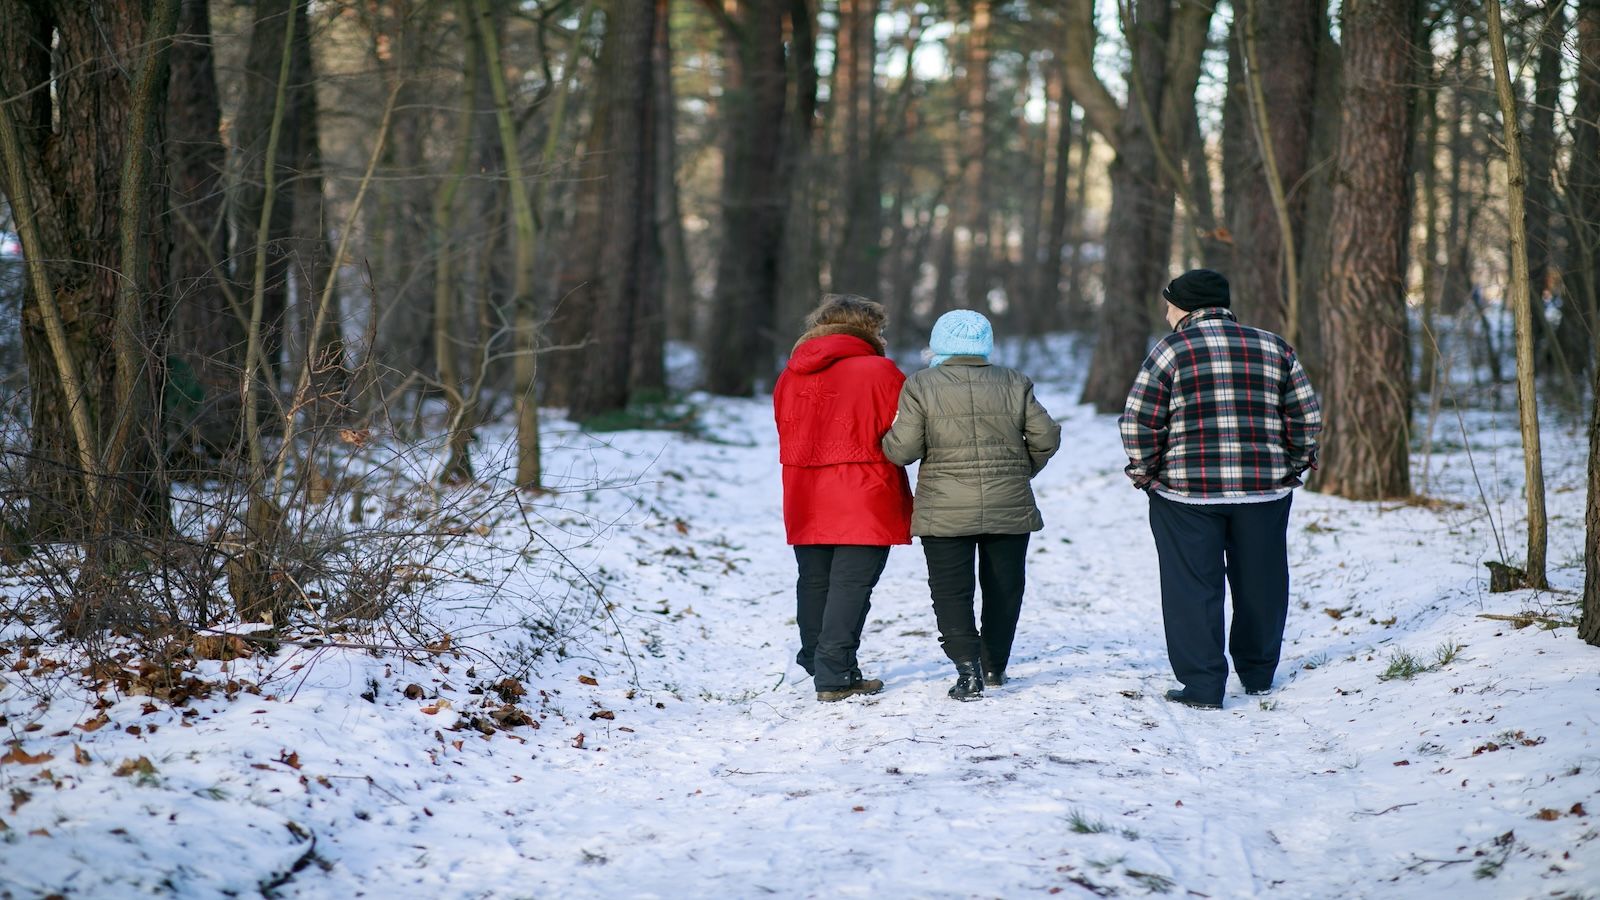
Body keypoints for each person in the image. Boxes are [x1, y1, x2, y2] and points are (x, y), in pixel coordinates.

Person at [1119, 269, 1322, 710]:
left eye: (1169, 302)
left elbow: (1138, 420)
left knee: (1191, 587)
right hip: (1263, 492)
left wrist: (1147, 473)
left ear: (1185, 307)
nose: (1166, 311)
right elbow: (1306, 416)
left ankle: (1203, 686)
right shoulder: (1273, 346)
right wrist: (1290, 465)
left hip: (1185, 494)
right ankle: (1257, 674)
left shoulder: (1170, 350)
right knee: (1262, 582)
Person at [881, 310, 1060, 700]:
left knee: (950, 591)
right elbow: (1046, 436)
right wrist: (1020, 469)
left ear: (940, 344)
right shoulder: (1015, 381)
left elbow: (903, 451)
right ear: (985, 344)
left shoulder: (921, 385)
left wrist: (887, 441)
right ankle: (995, 665)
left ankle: (967, 671)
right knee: (1004, 588)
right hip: (1008, 505)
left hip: (943, 508)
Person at [774, 295, 914, 702]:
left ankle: (821, 660)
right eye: (880, 330)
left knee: (814, 580)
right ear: (867, 329)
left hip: (804, 491)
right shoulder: (880, 371)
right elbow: (903, 431)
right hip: (863, 491)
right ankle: (834, 674)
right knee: (852, 585)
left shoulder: (789, 374)